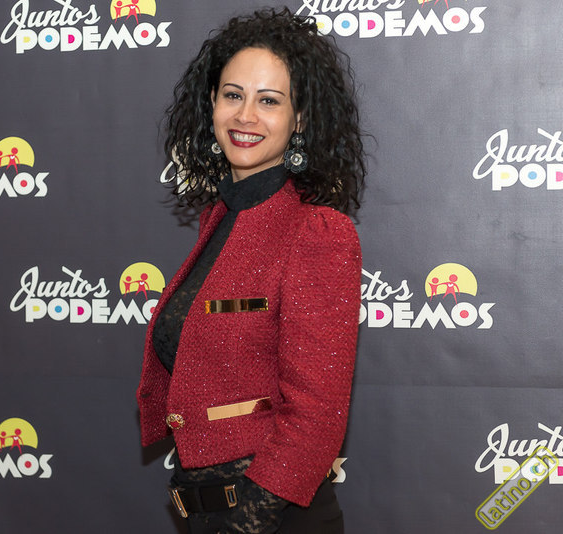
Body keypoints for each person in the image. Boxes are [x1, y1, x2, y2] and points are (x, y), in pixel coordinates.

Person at [137, 8, 365, 533]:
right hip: (206, 512)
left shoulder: (317, 233)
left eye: (269, 100)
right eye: (233, 95)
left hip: (269, 517)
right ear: (212, 103)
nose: (245, 116)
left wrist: (245, 522)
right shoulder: (219, 220)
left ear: (299, 118)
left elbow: (316, 414)